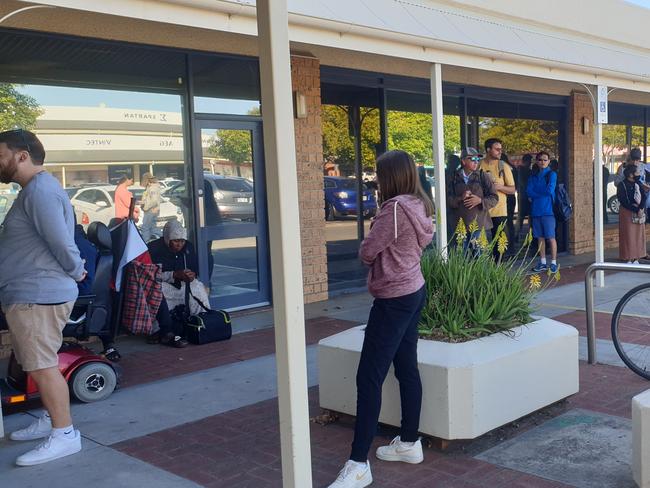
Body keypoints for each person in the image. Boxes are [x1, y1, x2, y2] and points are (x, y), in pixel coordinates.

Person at [328, 150, 433, 488]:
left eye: (378, 174)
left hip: (393, 299)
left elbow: (366, 252)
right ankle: (408, 442)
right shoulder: (419, 205)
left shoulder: (394, 210)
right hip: (414, 289)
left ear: (390, 177)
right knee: (406, 369)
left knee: (368, 378)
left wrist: (374, 230)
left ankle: (358, 464)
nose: (375, 178)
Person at [0, 129, 85, 465]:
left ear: (22, 156)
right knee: (37, 364)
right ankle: (53, 419)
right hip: (28, 293)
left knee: (43, 366)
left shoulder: (40, 191)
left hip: (39, 294)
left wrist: (77, 270)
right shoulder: (32, 191)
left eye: (0, 153)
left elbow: (62, 242)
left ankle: (64, 435)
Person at [148, 220, 211, 317]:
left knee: (199, 289)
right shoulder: (154, 249)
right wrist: (173, 275)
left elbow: (193, 268)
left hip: (184, 283)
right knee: (158, 293)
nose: (179, 245)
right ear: (167, 238)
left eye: (182, 241)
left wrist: (191, 275)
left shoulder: (188, 247)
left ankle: (202, 320)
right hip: (163, 284)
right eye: (176, 241)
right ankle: (167, 326)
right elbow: (149, 275)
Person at [447, 147, 498, 252]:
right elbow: (447, 201)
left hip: (479, 225)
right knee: (460, 259)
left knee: (480, 259)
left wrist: (480, 201)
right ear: (463, 161)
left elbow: (494, 198)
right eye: (472, 159)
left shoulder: (483, 176)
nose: (476, 162)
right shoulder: (453, 177)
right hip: (459, 225)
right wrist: (461, 198)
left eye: (477, 159)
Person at [481, 138, 515, 254]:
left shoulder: (503, 166)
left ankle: (497, 269)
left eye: (501, 149)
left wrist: (499, 187)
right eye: (497, 149)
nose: (500, 151)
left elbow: (512, 189)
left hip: (499, 211)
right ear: (488, 149)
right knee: (479, 243)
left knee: (498, 244)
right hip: (482, 209)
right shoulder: (479, 165)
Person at [527, 151, 559, 273]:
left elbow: (549, 190)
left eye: (545, 160)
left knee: (551, 237)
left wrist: (536, 193)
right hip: (536, 211)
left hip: (548, 211)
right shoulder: (533, 176)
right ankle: (543, 262)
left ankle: (554, 262)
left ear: (549, 161)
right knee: (540, 238)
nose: (542, 162)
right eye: (540, 159)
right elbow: (528, 191)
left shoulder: (552, 174)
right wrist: (539, 192)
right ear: (537, 161)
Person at [617, 164, 647, 264]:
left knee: (638, 235)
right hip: (627, 212)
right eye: (637, 172)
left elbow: (644, 196)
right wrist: (636, 209)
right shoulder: (622, 185)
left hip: (639, 212)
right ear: (630, 174)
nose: (639, 174)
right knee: (628, 235)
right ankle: (628, 257)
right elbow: (623, 201)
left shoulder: (638, 183)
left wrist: (641, 208)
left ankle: (637, 257)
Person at [140, 172, 161, 242]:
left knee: (145, 227)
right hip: (152, 210)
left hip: (151, 210)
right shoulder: (151, 187)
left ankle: (145, 243)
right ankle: (160, 240)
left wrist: (146, 206)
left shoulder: (152, 188)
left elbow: (154, 200)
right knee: (152, 227)